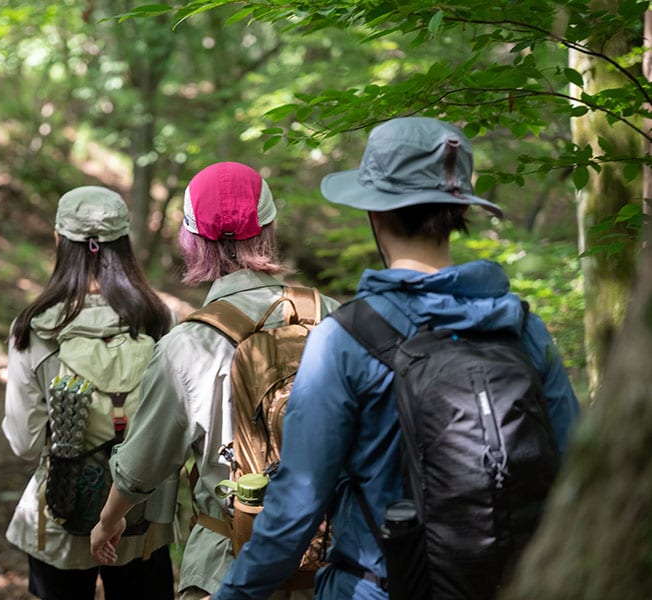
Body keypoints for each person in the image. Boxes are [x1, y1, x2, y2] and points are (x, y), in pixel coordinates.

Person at [214, 117, 582, 599]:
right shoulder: (522, 328)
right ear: (459, 213)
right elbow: (577, 470)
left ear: (375, 213)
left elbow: (296, 509)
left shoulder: (343, 341)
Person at [89, 161, 341, 600]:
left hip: (227, 566)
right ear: (269, 229)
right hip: (333, 564)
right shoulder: (332, 316)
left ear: (192, 240)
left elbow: (142, 466)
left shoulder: (188, 344)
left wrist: (109, 521)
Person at [2, 185, 176, 600]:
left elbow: (24, 444)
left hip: (61, 518)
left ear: (59, 241)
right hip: (142, 521)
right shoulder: (158, 319)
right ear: (125, 245)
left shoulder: (34, 328)